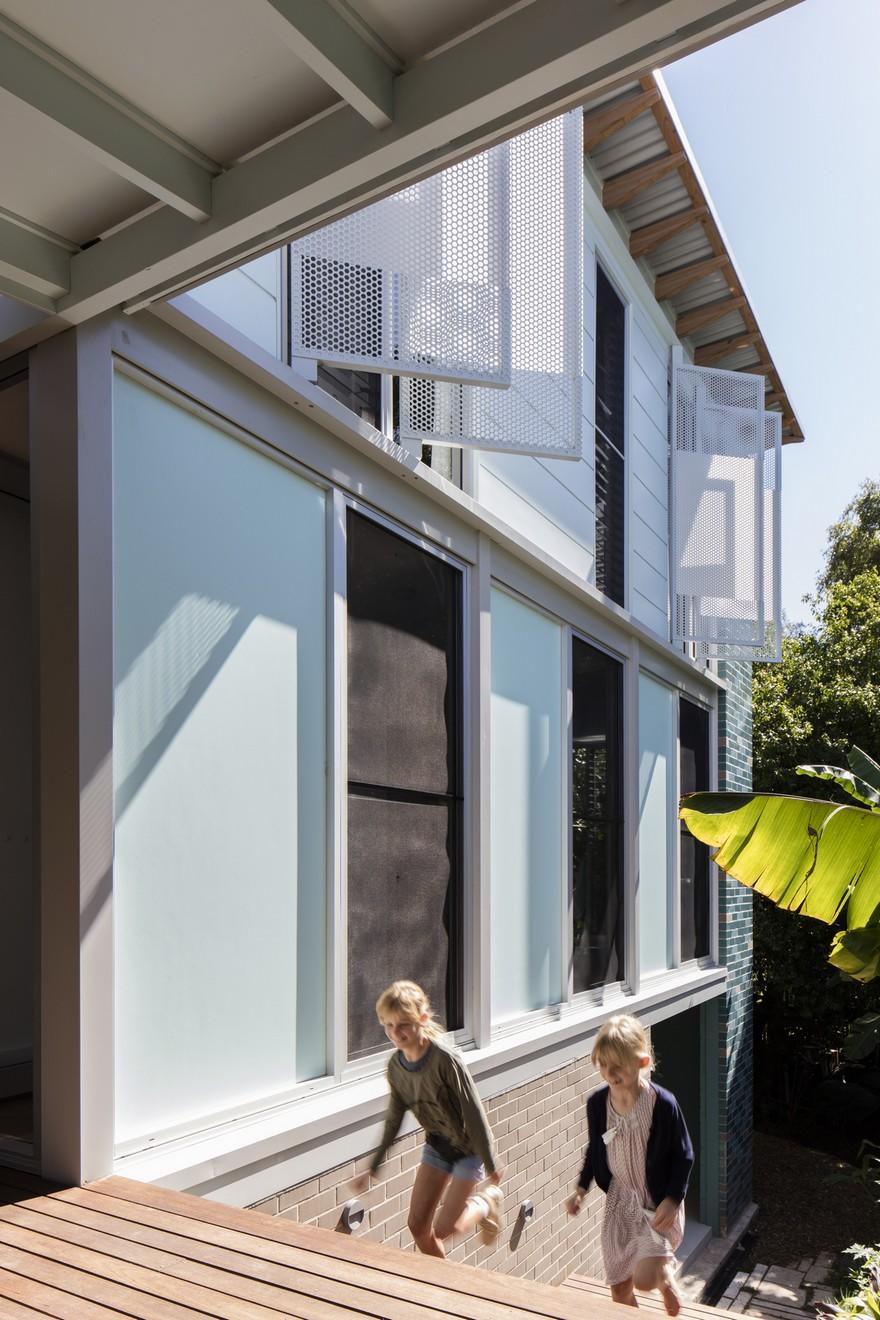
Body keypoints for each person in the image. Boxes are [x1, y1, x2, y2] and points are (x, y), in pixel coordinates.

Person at [350, 980, 503, 1257]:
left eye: (403, 1024)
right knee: (418, 1226)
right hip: (438, 1145)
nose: (396, 1033)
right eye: (388, 1025)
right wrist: (373, 1167)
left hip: (469, 1149)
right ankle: (441, 1286)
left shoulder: (445, 1060)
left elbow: (473, 1110)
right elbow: (394, 1119)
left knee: (446, 1228)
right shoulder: (396, 1067)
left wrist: (490, 1160)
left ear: (421, 1019)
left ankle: (484, 1204)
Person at [565, 1014, 693, 1315]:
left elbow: (684, 1154)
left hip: (656, 1201)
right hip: (620, 1202)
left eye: (618, 1065)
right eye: (603, 1065)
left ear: (642, 1061)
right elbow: (595, 1148)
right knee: (619, 1287)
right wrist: (581, 1188)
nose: (610, 1073)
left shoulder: (662, 1104)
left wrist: (673, 1199)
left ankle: (664, 1281)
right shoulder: (597, 1104)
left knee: (645, 1280)